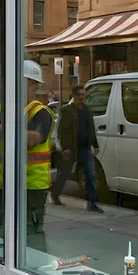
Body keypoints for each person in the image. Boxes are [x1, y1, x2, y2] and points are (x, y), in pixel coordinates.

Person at [0, 61, 55, 237]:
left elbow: (30, 139)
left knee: (27, 236)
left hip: (29, 188)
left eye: (5, 80)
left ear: (31, 85)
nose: (0, 85)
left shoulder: (40, 113)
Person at [51, 85, 103, 213]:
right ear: (74, 96)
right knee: (65, 173)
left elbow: (91, 128)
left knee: (90, 175)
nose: (82, 97)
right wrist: (65, 148)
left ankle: (92, 203)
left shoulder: (87, 110)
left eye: (84, 95)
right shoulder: (67, 110)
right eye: (79, 95)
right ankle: (55, 194)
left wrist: (95, 145)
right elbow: (63, 131)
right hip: (71, 148)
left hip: (85, 148)